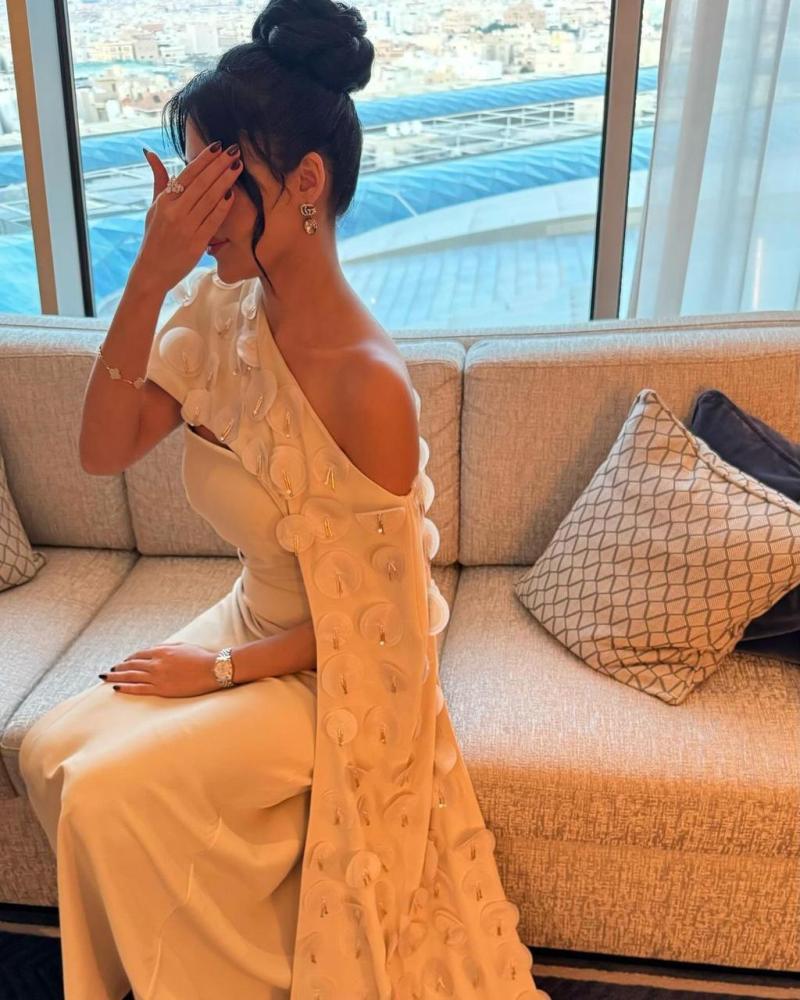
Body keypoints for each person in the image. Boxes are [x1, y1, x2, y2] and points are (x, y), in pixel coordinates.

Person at [18, 1, 552, 997]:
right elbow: (101, 451)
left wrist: (217, 670)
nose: (199, 212)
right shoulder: (216, 313)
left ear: (305, 184)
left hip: (343, 669)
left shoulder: (368, 385)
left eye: (225, 183)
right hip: (254, 620)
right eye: (193, 179)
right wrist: (147, 278)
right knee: (47, 750)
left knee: (102, 792)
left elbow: (386, 627)